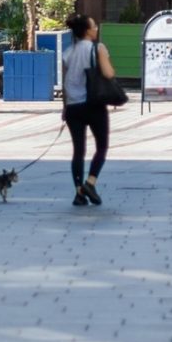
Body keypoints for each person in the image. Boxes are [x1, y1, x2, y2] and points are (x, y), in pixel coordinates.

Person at [60, 14, 115, 205]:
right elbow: (109, 73)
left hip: (73, 107)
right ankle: (90, 182)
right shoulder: (98, 48)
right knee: (101, 146)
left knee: (78, 150)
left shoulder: (67, 53)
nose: (96, 28)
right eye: (94, 26)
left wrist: (64, 108)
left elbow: (65, 84)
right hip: (94, 105)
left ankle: (78, 192)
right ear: (86, 30)